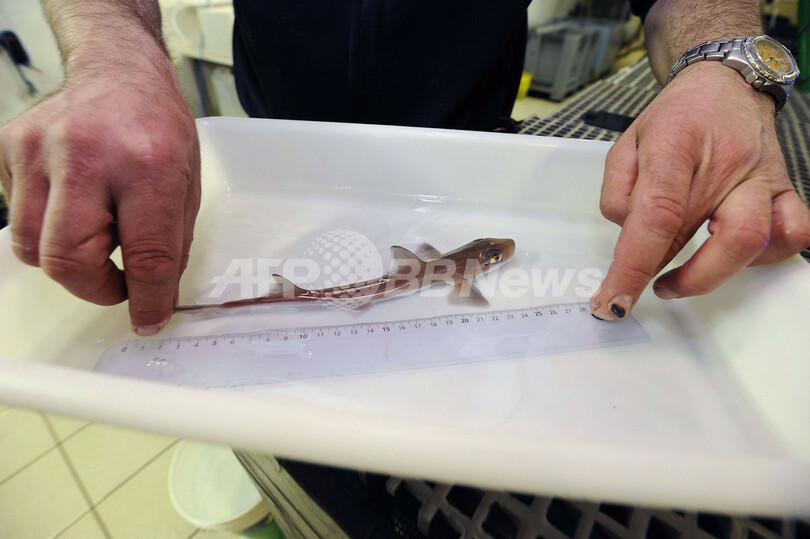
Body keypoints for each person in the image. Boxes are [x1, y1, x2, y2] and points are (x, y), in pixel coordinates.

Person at [0, 0, 808, 335]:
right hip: (271, 167)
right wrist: (112, 55)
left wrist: (722, 56)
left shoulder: (466, 255)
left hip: (473, 148)